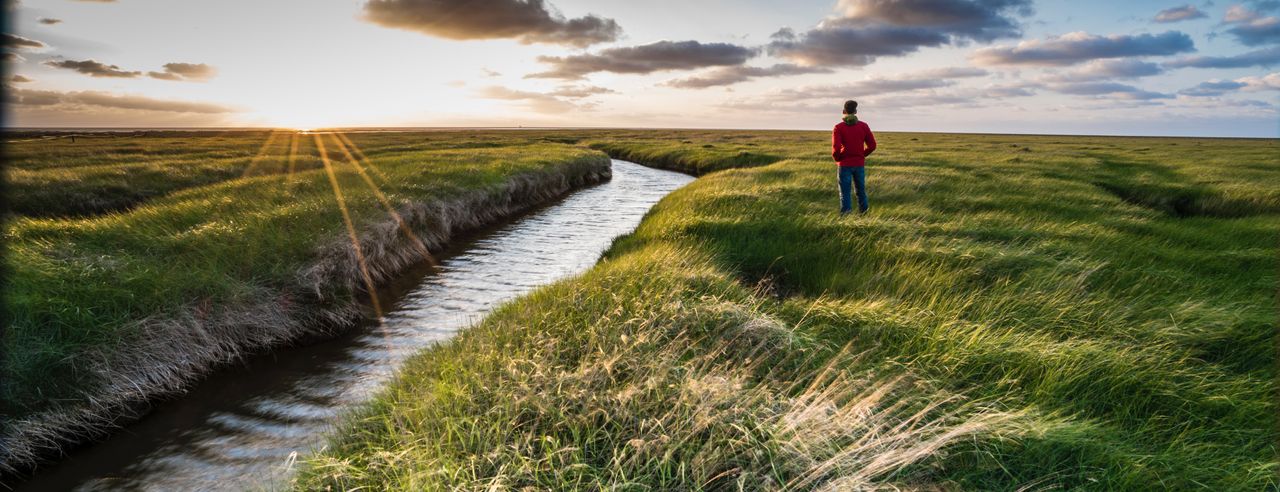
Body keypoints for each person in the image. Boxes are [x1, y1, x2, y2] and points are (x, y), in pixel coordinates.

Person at [831, 99, 876, 214]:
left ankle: (846, 217)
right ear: (855, 111)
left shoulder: (838, 127)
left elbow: (836, 148)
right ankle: (864, 215)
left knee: (845, 193)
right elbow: (872, 145)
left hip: (844, 164)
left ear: (843, 111)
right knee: (861, 191)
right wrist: (861, 155)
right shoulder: (863, 126)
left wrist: (838, 159)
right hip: (859, 164)